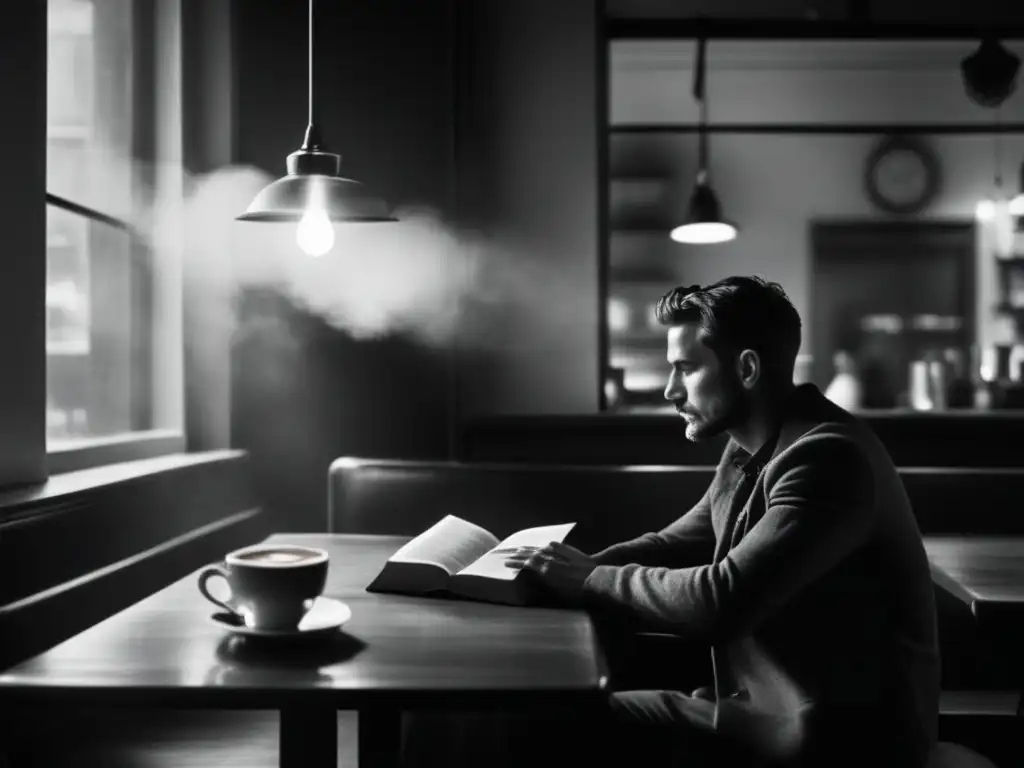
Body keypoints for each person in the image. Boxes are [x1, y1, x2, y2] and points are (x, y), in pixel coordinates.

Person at [505, 276, 941, 768]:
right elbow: (675, 543)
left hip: (841, 740)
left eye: (685, 368)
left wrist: (586, 578)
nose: (670, 390)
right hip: (764, 713)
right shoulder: (751, 445)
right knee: (546, 715)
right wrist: (557, 572)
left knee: (550, 725)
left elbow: (722, 600)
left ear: (747, 368)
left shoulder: (828, 458)